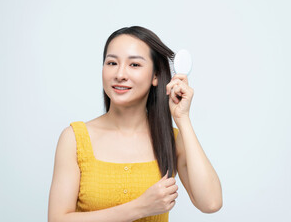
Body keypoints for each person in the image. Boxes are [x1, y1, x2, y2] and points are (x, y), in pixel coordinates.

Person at [48, 26, 222, 222]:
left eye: (134, 65)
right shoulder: (74, 138)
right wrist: (139, 207)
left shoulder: (172, 140)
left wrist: (183, 120)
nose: (120, 74)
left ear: (155, 76)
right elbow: (57, 219)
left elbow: (211, 203)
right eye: (112, 63)